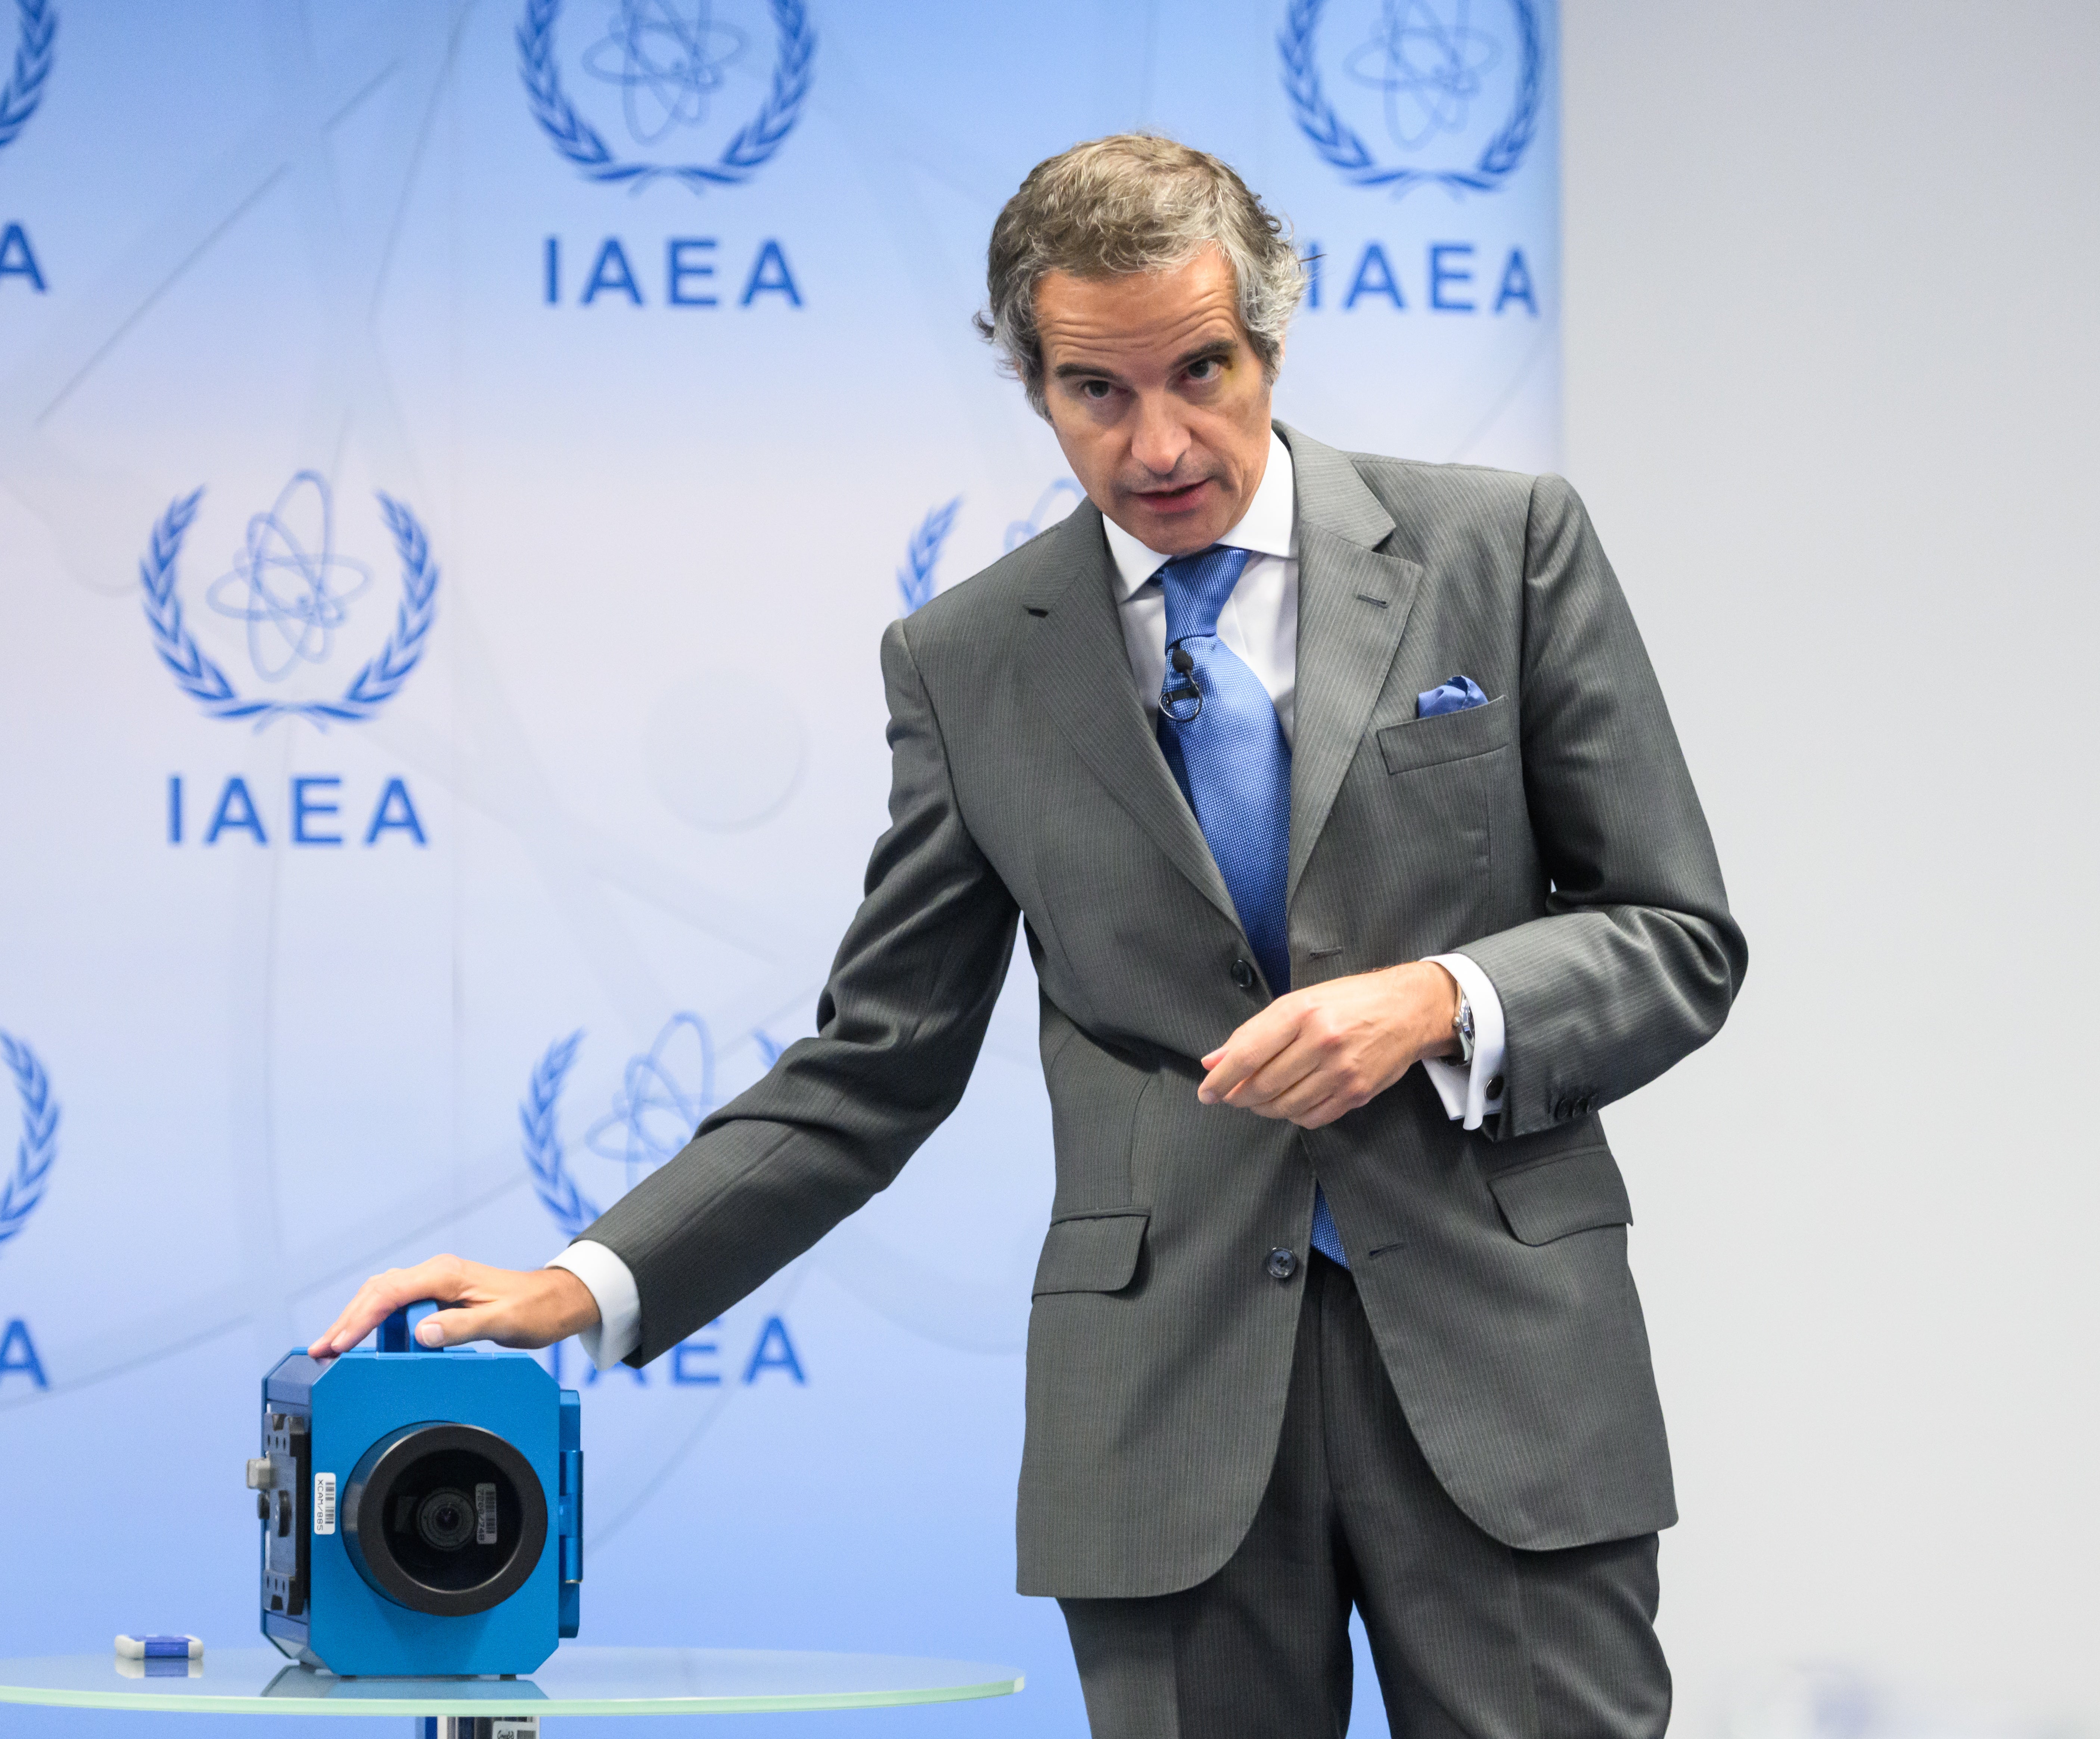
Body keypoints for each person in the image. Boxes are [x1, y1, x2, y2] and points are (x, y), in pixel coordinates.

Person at [317, 133, 1743, 1738]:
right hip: (1161, 1408)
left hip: (1507, 1377)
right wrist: (589, 1281)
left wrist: (1438, 996)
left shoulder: (1505, 548)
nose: (1158, 442)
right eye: (1096, 392)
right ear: (1032, 384)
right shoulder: (969, 659)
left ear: (1270, 338)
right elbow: (876, 1062)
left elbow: (1675, 934)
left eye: (1201, 371)